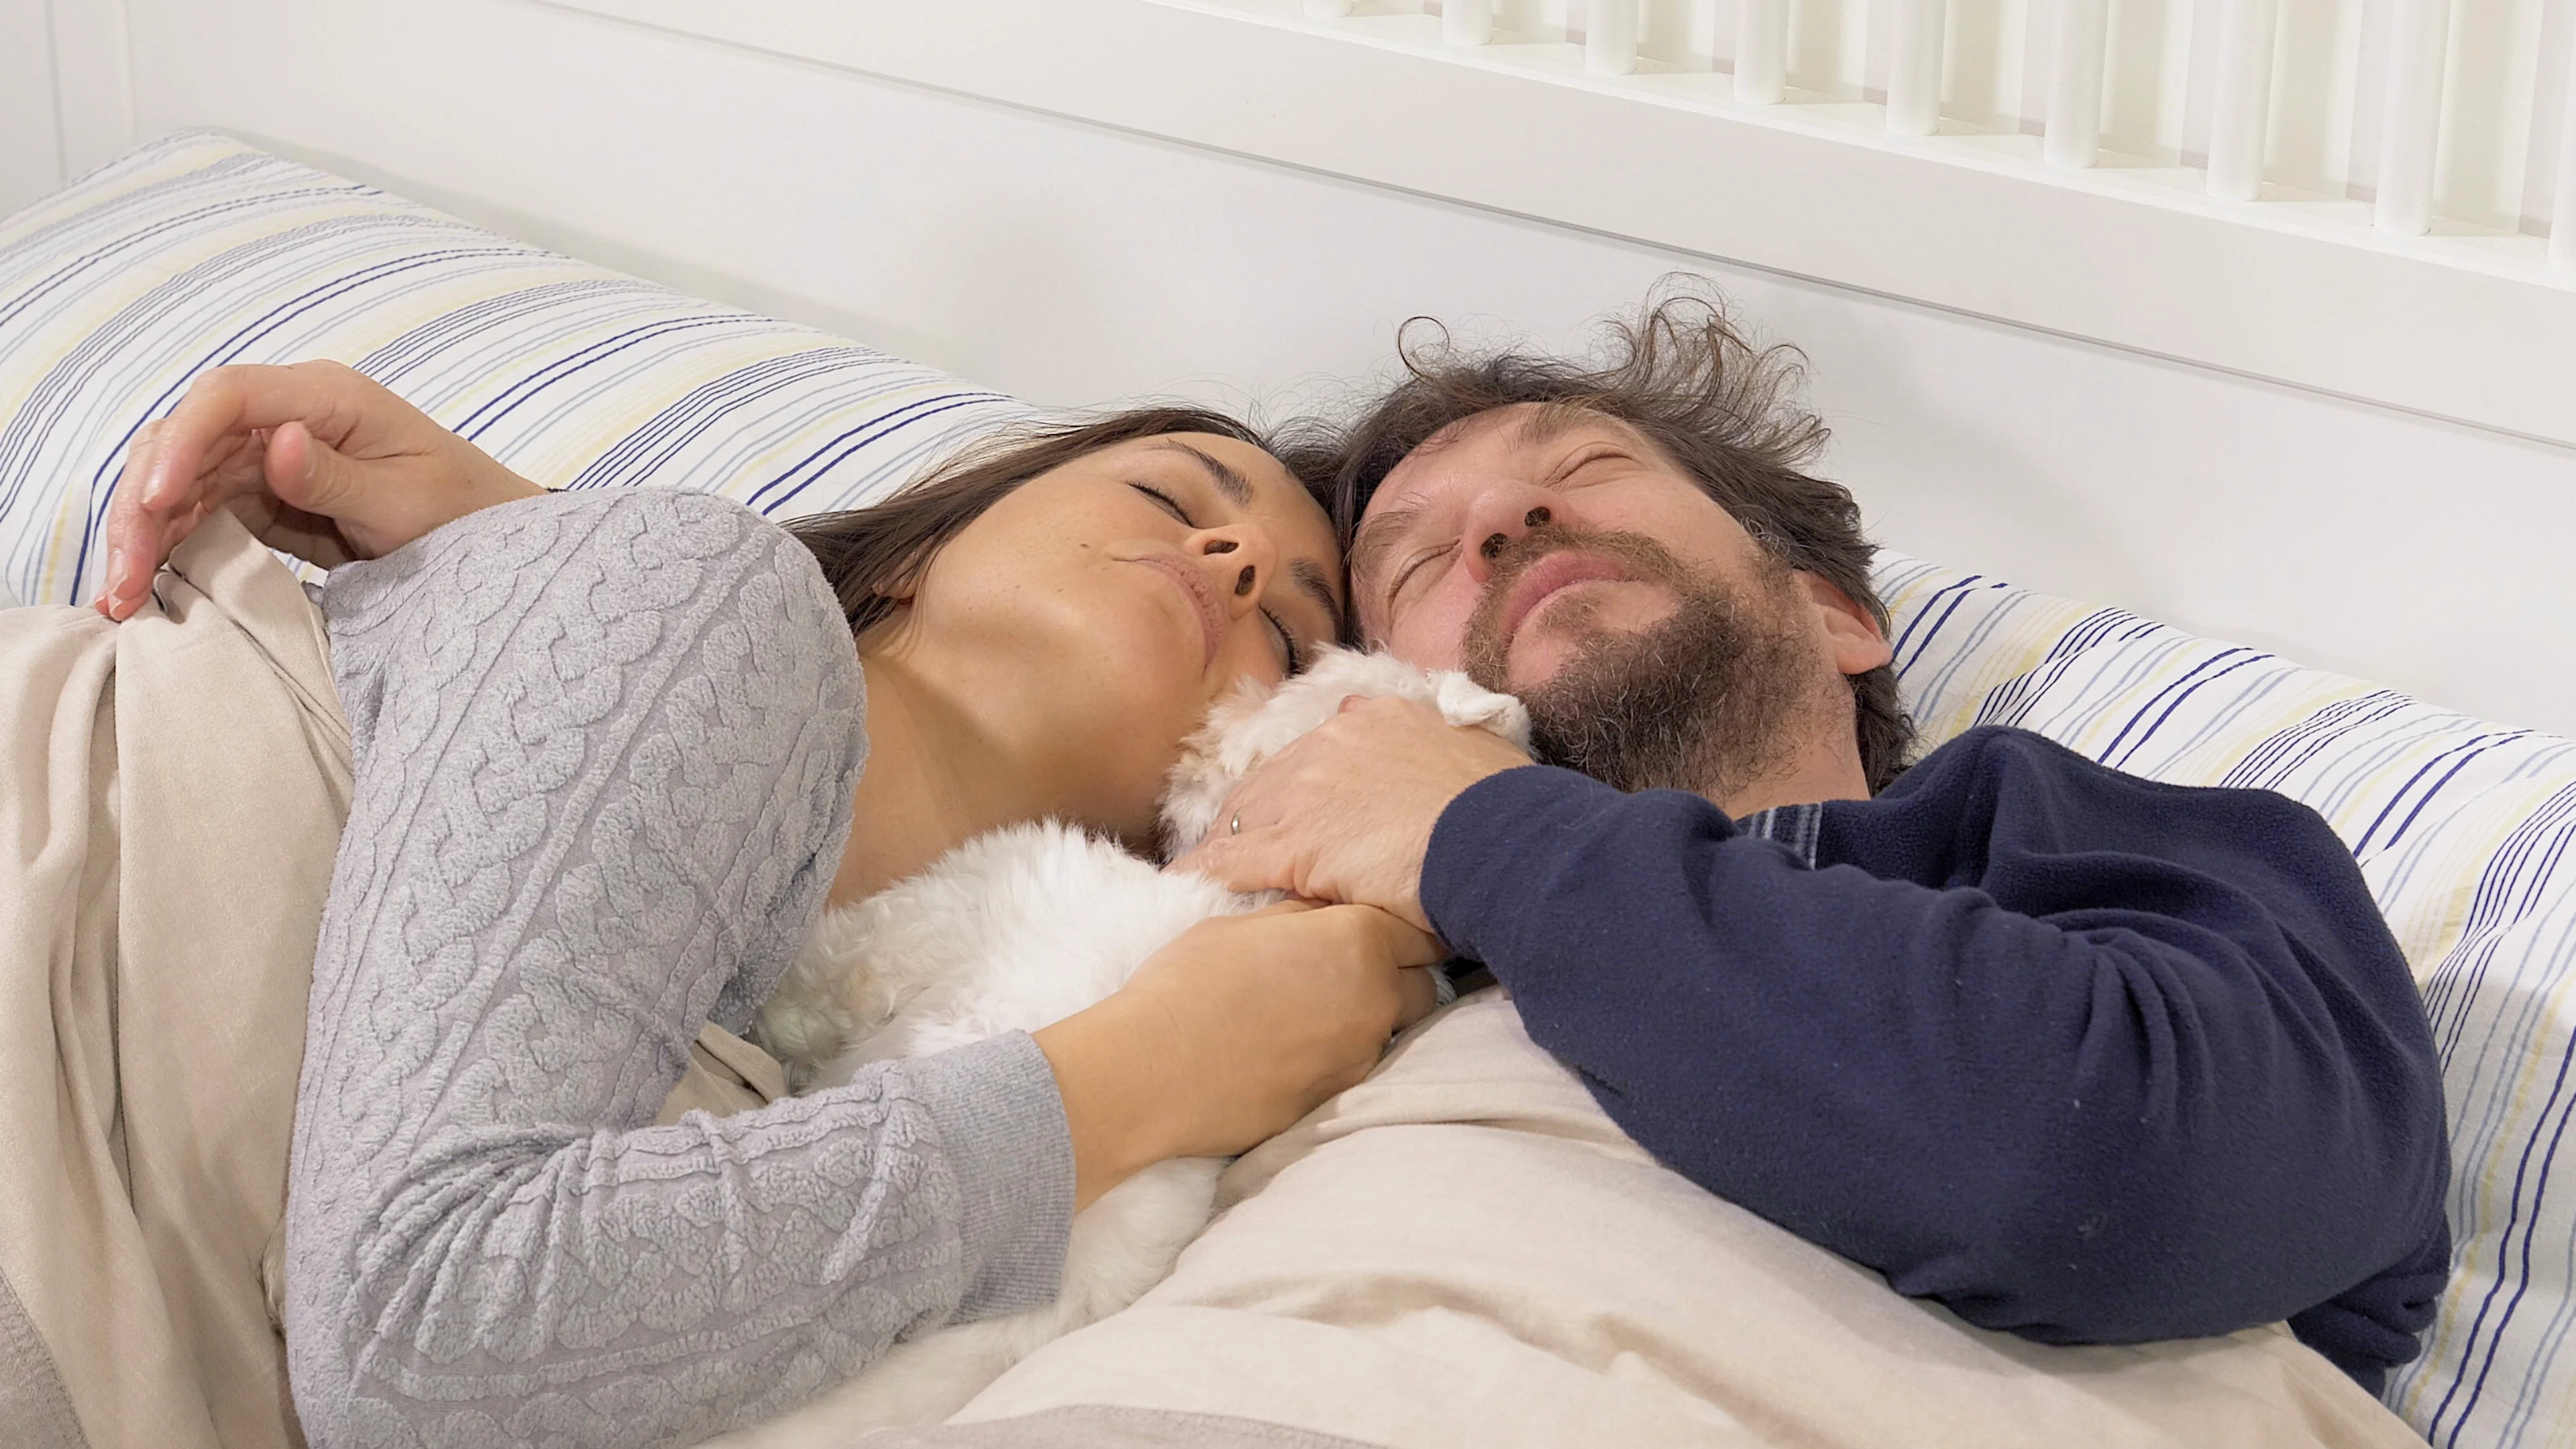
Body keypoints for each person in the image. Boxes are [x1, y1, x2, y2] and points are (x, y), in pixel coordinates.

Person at [95, 362, 1440, 1448]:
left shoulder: (780, 1099)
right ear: (927, 547)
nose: (1232, 557)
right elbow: (418, 1333)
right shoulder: (716, 585)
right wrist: (1149, 1070)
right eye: (1167, 494)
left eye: (1293, 633)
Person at [1183, 293, 2454, 1395]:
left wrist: (1476, 830)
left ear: (1835, 613)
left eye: (1587, 470)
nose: (1506, 520)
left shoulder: (2087, 842)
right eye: (1416, 565)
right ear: (1361, 700)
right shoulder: (1276, 959)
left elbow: (2124, 1171)